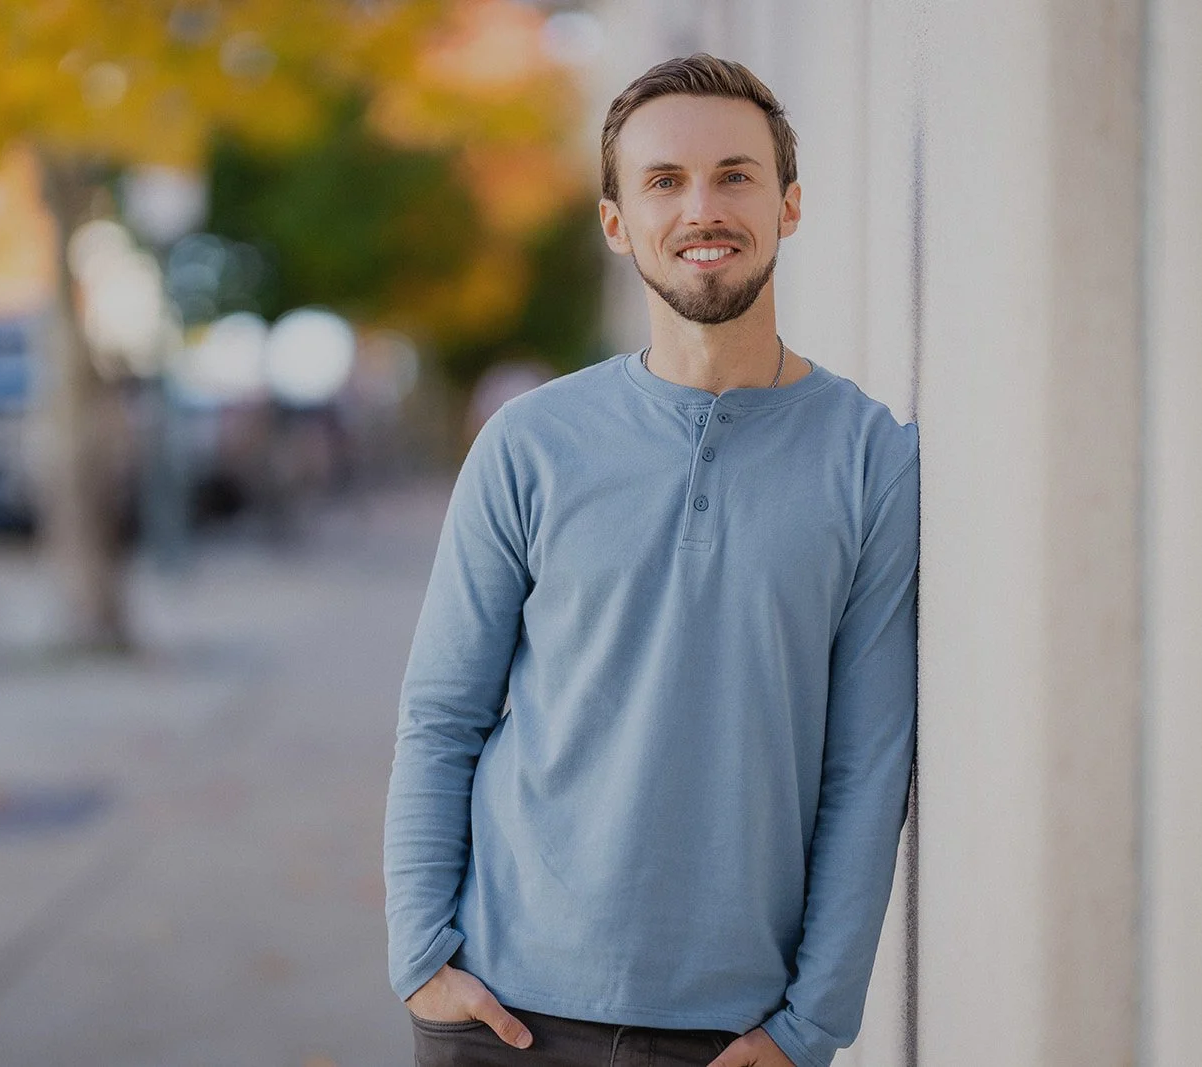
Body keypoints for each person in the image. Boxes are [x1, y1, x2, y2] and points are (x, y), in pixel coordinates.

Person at [383, 53, 919, 1067]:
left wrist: (813, 1025)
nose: (701, 208)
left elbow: (867, 762)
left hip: (732, 1034)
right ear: (617, 222)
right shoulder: (528, 442)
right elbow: (442, 713)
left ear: (789, 205)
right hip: (500, 1009)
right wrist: (419, 955)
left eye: (734, 174)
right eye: (663, 182)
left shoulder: (870, 457)